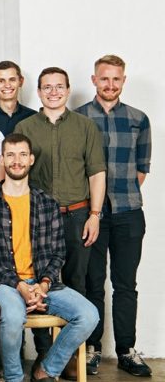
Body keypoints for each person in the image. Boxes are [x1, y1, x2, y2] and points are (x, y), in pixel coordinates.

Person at [0, 133, 97, 382]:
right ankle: (14, 377)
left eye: (22, 154)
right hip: (5, 285)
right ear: (2, 159)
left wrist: (43, 285)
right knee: (12, 317)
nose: (16, 161)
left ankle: (46, 370)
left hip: (43, 284)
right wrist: (20, 285)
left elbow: (58, 252)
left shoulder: (47, 203)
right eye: (10, 155)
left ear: (31, 159)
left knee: (89, 315)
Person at [76, 55, 153, 377]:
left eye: (116, 79)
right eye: (104, 78)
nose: (110, 84)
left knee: (125, 285)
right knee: (92, 282)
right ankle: (92, 349)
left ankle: (126, 351)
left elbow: (141, 170)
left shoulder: (138, 119)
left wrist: (118, 196)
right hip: (90, 215)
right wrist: (96, 205)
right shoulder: (78, 117)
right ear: (94, 80)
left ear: (123, 81)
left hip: (128, 212)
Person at [14, 68, 106, 297]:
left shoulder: (85, 127)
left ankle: (75, 323)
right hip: (38, 216)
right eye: (47, 87)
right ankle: (43, 324)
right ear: (38, 92)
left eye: (59, 86)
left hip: (77, 217)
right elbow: (17, 173)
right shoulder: (24, 128)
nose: (53, 92)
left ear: (68, 90)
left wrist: (95, 215)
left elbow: (96, 173)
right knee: (39, 281)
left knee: (77, 283)